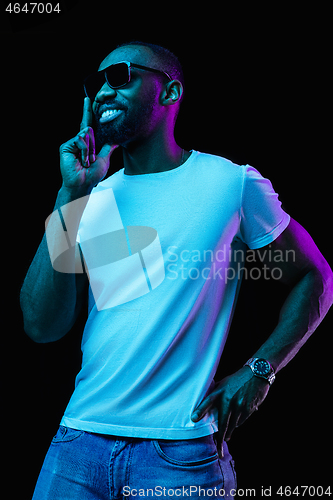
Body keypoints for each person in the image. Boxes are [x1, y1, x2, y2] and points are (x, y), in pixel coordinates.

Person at [20, 41, 333, 499]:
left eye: (121, 76)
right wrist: (70, 195)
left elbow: (316, 277)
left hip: (178, 458)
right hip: (77, 444)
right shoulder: (93, 196)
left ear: (169, 93)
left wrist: (260, 369)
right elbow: (42, 326)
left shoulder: (230, 182)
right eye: (95, 84)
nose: (102, 93)